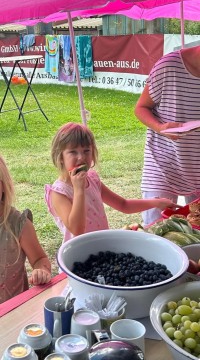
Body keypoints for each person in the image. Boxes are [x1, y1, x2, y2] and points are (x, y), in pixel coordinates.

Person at [45, 122, 177, 242]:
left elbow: (123, 205)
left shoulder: (92, 179)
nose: (81, 157)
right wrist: (78, 189)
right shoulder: (59, 192)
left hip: (103, 245)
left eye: (86, 151)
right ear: (60, 157)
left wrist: (156, 202)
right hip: (78, 253)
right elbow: (76, 230)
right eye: (73, 152)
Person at [134, 46, 200, 227]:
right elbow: (141, 108)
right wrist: (160, 127)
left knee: (195, 236)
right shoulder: (169, 66)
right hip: (163, 162)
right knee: (156, 230)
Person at [0, 155, 51, 304]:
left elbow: (40, 259)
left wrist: (41, 270)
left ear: (3, 186)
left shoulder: (18, 224)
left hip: (13, 309)